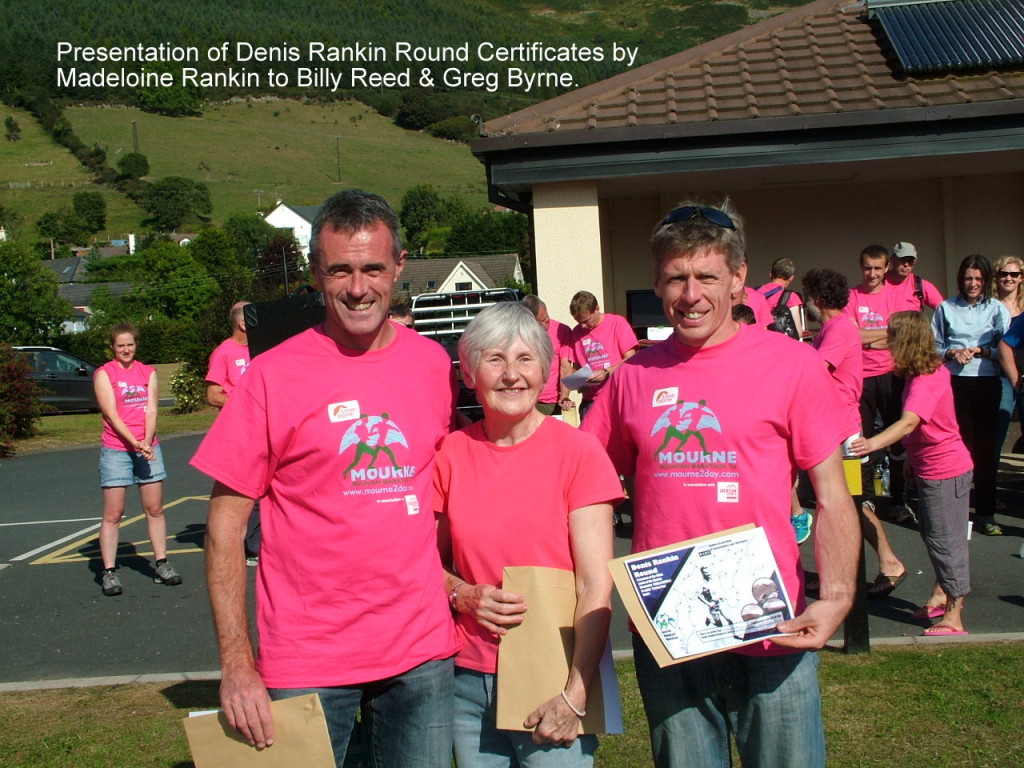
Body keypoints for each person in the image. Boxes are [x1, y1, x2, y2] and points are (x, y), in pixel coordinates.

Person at [582, 201, 859, 768]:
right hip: (670, 626)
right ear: (657, 282)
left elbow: (831, 495)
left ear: (738, 278)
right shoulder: (633, 376)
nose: (691, 295)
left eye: (706, 276)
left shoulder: (792, 365)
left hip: (773, 628)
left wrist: (837, 599)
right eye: (676, 278)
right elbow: (582, 484)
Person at [190, 189, 460, 767]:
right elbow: (224, 529)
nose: (358, 287)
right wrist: (238, 667)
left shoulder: (433, 366)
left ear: (400, 267)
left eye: (372, 268)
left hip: (422, 655)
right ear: (316, 273)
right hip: (307, 660)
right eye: (340, 270)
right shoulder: (270, 377)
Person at [434, 302, 623, 767]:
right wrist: (461, 594)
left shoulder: (578, 453)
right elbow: (426, 562)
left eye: (525, 359)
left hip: (553, 675)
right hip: (465, 679)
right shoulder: (451, 453)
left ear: (546, 371)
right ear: (471, 373)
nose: (511, 374)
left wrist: (576, 693)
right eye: (494, 359)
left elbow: (594, 585)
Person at [851, 311, 973, 635]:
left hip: (946, 471)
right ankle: (940, 595)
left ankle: (954, 616)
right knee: (934, 538)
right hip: (928, 467)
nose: (887, 342)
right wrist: (908, 457)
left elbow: (909, 421)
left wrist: (870, 443)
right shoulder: (919, 375)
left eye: (892, 336)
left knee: (946, 542)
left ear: (905, 341)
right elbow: (925, 426)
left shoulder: (926, 379)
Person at [844, 244, 913, 596]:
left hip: (891, 374)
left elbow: (897, 336)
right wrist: (876, 337)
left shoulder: (895, 297)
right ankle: (867, 497)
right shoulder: (852, 296)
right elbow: (850, 337)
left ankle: (898, 499)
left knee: (898, 440)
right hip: (862, 379)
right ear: (861, 267)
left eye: (877, 269)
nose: (872, 274)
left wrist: (872, 339)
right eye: (867, 268)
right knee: (860, 443)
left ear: (887, 268)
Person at [94, 323, 180, 596]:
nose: (126, 350)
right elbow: (111, 414)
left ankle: (162, 564)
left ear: (136, 345)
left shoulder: (148, 372)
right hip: (117, 449)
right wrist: (134, 443)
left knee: (154, 508)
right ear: (113, 348)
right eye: (121, 346)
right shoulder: (104, 374)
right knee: (114, 513)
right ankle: (109, 572)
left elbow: (152, 410)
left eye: (130, 344)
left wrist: (147, 440)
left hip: (148, 447)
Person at [931, 254, 1009, 536]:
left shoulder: (997, 309)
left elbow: (1006, 350)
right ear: (960, 279)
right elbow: (935, 347)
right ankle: (958, 512)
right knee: (958, 447)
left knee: (986, 450)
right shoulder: (945, 308)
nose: (973, 283)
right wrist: (952, 352)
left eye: (978, 279)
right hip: (956, 382)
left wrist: (981, 351)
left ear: (985, 280)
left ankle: (987, 513)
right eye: (968, 278)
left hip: (987, 381)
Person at [205, 300, 260, 566]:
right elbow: (213, 395)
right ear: (243, 323)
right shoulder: (224, 352)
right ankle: (248, 547)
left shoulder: (260, 349)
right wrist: (245, 400)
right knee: (243, 493)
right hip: (237, 433)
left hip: (261, 429)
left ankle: (258, 544)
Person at [565, 290, 639, 418]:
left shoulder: (617, 323)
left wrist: (606, 372)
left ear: (597, 309)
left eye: (586, 321)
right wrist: (581, 384)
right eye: (579, 322)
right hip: (591, 401)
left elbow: (631, 359)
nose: (582, 326)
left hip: (617, 397)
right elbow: (576, 366)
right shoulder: (576, 332)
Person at [991, 255, 1024, 458]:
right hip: (1001, 376)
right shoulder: (989, 307)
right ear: (997, 278)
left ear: (1021, 278)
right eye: (1004, 274)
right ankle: (988, 483)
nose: (1009, 278)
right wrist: (1014, 379)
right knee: (998, 430)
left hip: (1023, 375)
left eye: (1014, 274)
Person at [521, 294, 574, 415]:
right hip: (527, 400)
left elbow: (565, 367)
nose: (545, 324)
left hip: (551, 402)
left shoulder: (562, 331)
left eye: (546, 319)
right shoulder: (521, 334)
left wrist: (564, 396)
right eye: (539, 323)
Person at [885, 242, 943, 311]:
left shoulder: (920, 286)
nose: (906, 264)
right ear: (892, 260)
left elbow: (943, 311)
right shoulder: (878, 283)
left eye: (910, 261)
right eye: (902, 259)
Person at [757, 257, 805, 336]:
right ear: (791, 278)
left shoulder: (755, 293)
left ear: (771, 274)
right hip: (781, 344)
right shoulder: (790, 297)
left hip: (759, 341)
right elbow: (798, 331)